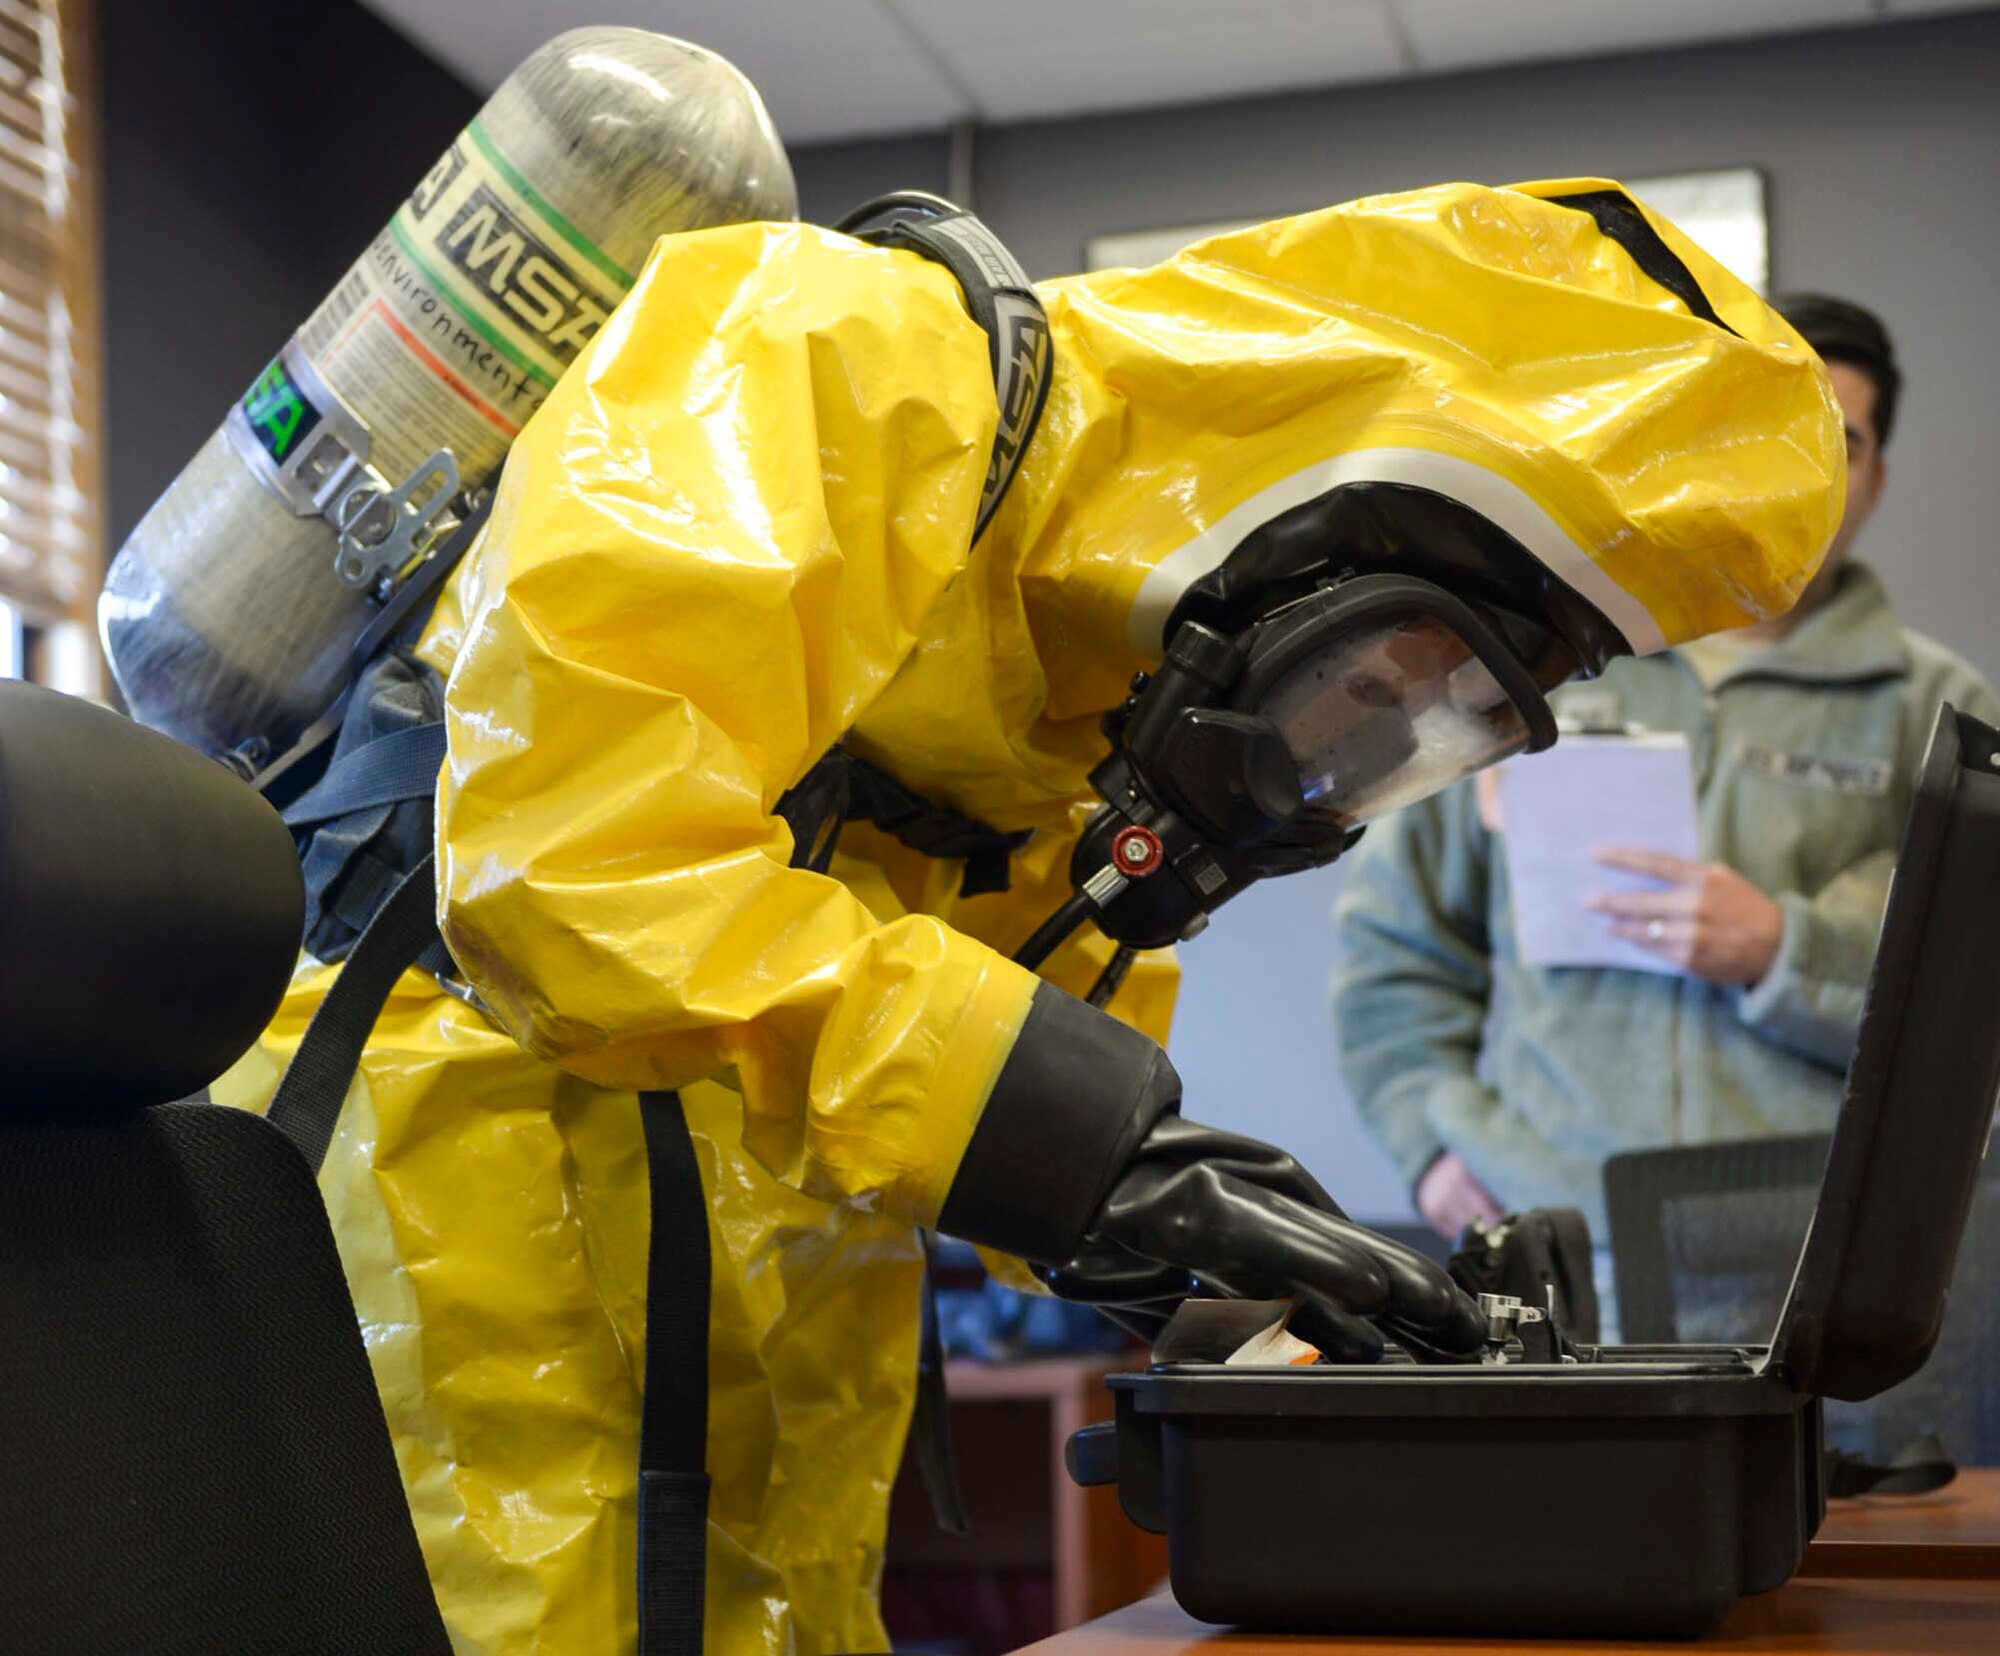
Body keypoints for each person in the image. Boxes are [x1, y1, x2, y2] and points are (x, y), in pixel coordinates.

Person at [179, 184, 1839, 1654]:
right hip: (461, 1215)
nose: (1368, 755)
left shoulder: (1072, 717)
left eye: (1454, 723)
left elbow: (1019, 1142)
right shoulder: (823, 349)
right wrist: (1118, 1169)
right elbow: (569, 863)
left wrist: (1355, 1319)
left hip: (764, 1346)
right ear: (1327, 520)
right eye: (1401, 685)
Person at [1334, 292, 2000, 1263]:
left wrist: (1781, 952)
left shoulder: (1938, 707)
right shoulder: (1536, 667)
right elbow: (1394, 950)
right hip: (1570, 1253)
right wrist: (1432, 1153)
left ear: (1876, 477)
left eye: (1839, 443)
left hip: (1819, 1266)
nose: (1801, 473)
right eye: (1773, 432)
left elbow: (1970, 1012)